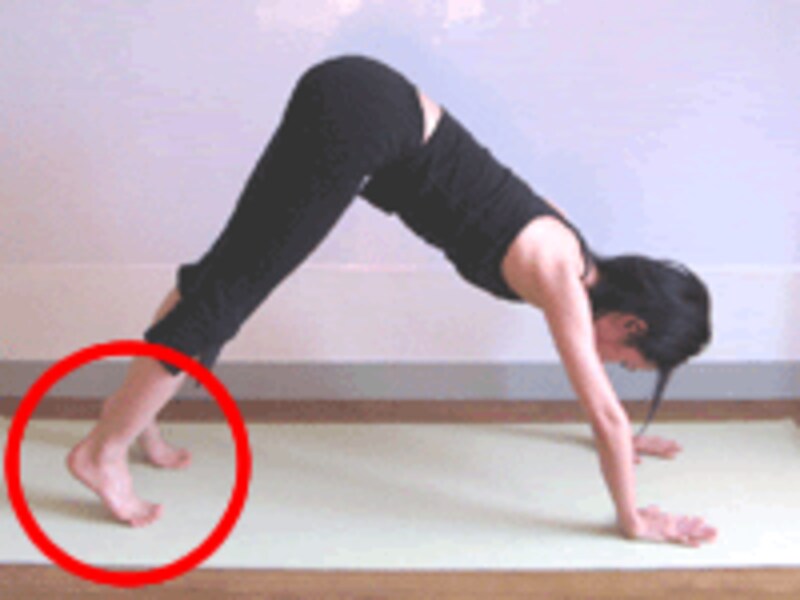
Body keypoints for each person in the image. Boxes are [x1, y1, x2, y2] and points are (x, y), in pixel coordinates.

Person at [67, 55, 716, 546]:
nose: (611, 367)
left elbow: (606, 418)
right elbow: (602, 414)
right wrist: (633, 518)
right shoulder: (562, 275)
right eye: (626, 360)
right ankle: (102, 451)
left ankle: (137, 419)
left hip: (362, 97)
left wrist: (622, 443)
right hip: (365, 119)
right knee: (230, 293)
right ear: (630, 322)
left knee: (223, 274)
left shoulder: (567, 240)